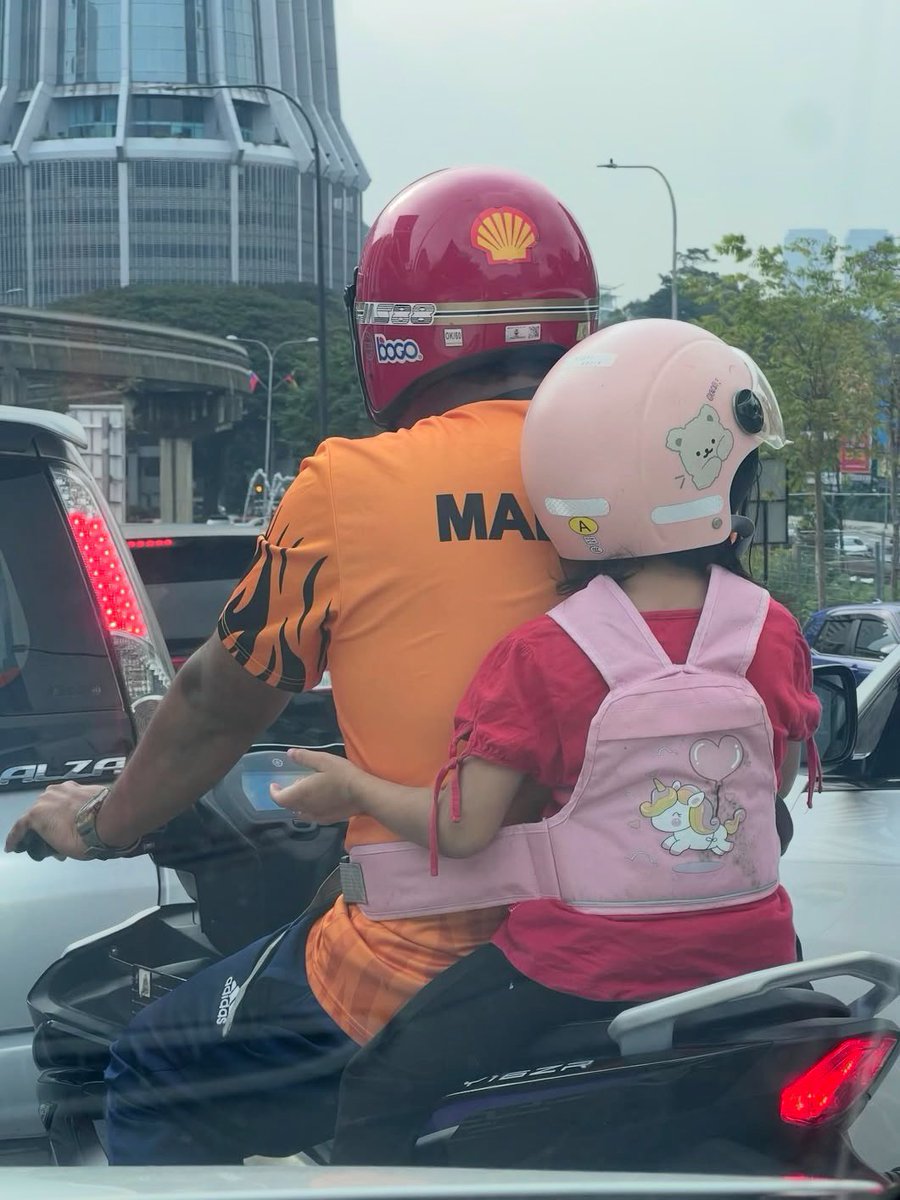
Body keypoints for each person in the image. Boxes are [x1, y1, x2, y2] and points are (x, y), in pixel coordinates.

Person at [5, 165, 600, 1164]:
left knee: (152, 1066)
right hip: (670, 936)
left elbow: (211, 705)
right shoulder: (641, 467)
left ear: (395, 330)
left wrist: (103, 822)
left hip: (424, 955)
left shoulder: (354, 484)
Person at [269, 319, 822, 1165]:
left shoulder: (546, 651)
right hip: (755, 965)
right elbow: (770, 789)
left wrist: (349, 788)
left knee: (379, 1091)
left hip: (576, 971)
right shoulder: (771, 632)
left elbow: (462, 832)